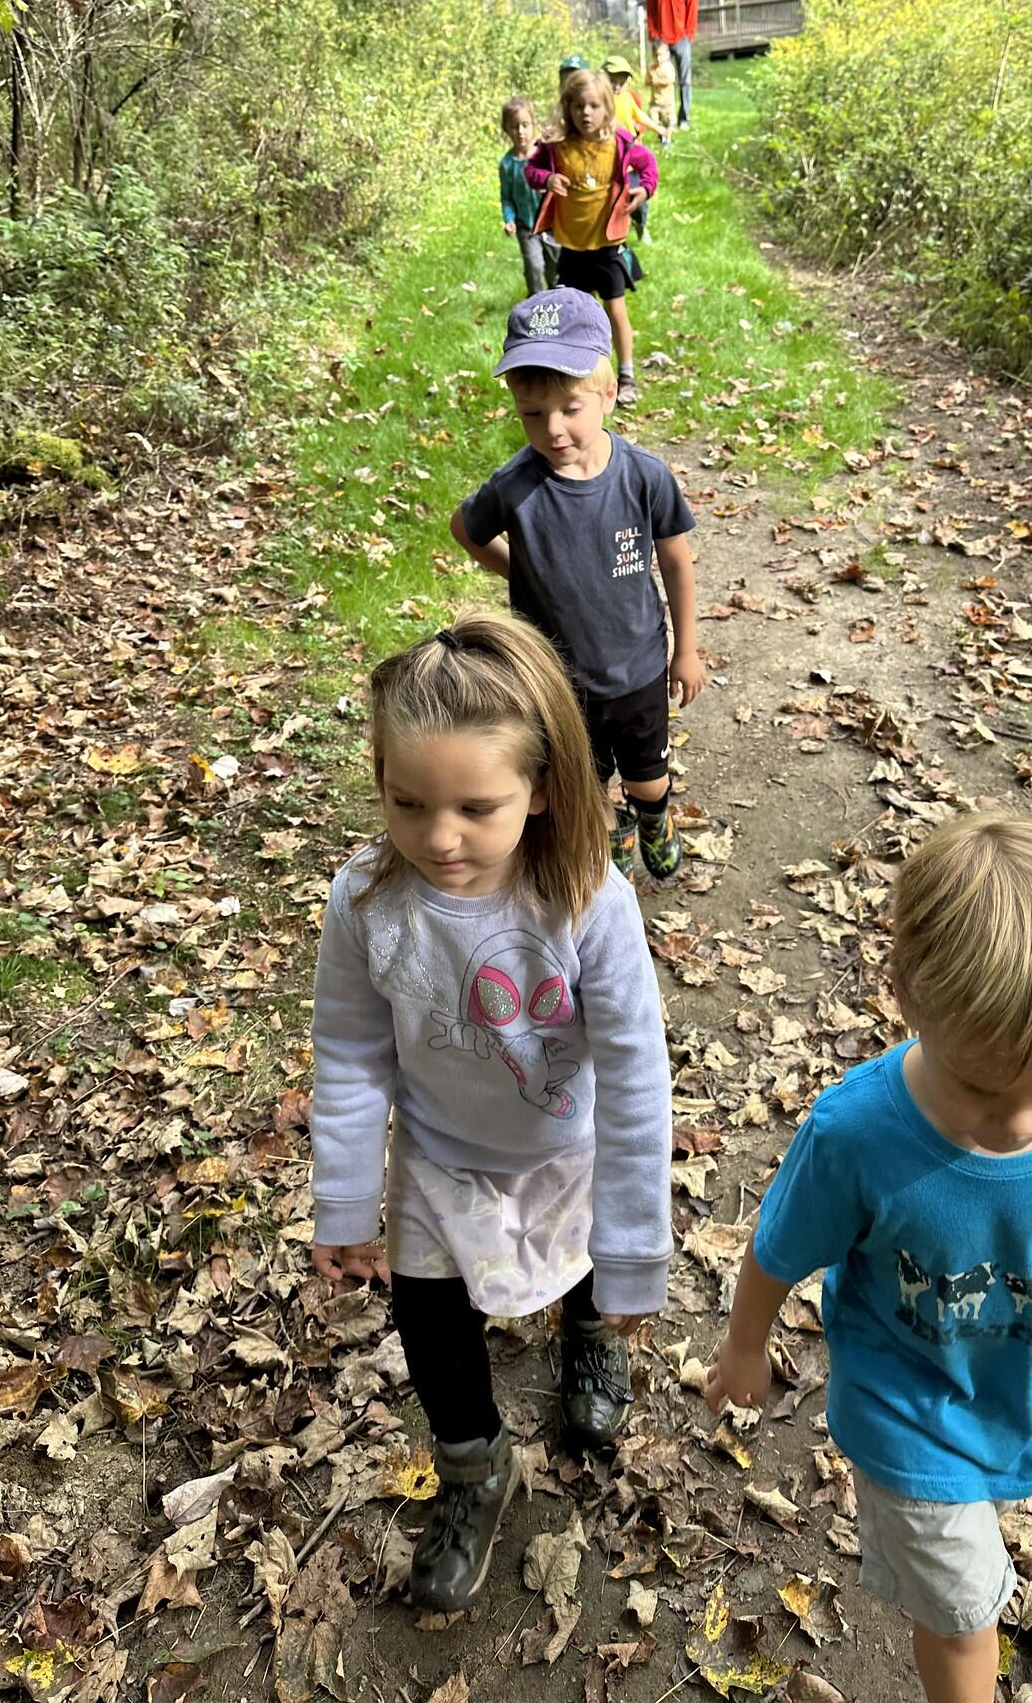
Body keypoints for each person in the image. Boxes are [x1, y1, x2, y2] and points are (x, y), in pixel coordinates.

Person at [705, 814, 1032, 1703]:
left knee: (979, 1550)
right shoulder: (857, 1137)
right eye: (983, 1089)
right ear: (904, 994)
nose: (1019, 1123)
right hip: (905, 1412)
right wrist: (746, 1345)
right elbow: (778, 1248)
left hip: (1024, 1387)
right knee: (964, 1614)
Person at [310, 611, 672, 1614]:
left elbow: (638, 1072)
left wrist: (639, 1248)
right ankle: (473, 1465)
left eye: (477, 806)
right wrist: (343, 1202)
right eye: (407, 801)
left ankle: (589, 1330)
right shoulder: (367, 901)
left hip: (572, 1142)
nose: (439, 836)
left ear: (544, 787)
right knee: (429, 1315)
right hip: (439, 1151)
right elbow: (347, 1049)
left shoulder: (588, 902)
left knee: (589, 1260)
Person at [448, 288, 704, 881]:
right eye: (532, 414)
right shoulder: (515, 485)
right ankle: (605, 830)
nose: (553, 428)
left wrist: (685, 650)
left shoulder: (644, 477)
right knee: (582, 779)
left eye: (569, 408)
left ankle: (654, 814)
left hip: (638, 667)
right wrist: (521, 567)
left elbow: (675, 562)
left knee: (647, 774)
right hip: (556, 679)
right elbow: (465, 528)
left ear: (608, 395)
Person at [524, 69, 657, 407]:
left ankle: (626, 374)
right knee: (576, 315)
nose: (586, 113)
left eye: (595, 106)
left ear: (608, 108)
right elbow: (531, 171)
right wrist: (548, 178)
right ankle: (580, 373)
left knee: (615, 310)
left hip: (608, 247)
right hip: (572, 247)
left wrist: (644, 190)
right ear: (568, 109)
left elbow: (648, 164)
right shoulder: (558, 146)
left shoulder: (619, 143)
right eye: (579, 106)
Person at [498, 96, 555, 299]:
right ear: (506, 129)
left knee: (554, 268)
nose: (520, 132)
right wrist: (509, 219)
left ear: (534, 125)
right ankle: (537, 303)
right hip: (526, 226)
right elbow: (506, 197)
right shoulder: (507, 164)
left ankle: (561, 302)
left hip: (551, 224)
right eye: (514, 126)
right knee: (534, 265)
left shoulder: (544, 155)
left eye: (525, 125)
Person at [644, 0, 698, 129]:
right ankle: (668, 119)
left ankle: (685, 118)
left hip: (682, 39)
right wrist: (653, 35)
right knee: (664, 82)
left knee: (685, 80)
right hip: (661, 42)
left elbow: (693, 7)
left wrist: (689, 34)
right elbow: (650, 11)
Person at [603, 56, 654, 246]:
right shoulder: (598, 101)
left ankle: (641, 224)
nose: (616, 86)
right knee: (612, 200)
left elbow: (639, 115)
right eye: (612, 81)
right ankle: (615, 236)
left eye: (621, 82)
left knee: (637, 196)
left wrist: (657, 128)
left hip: (631, 159)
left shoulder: (627, 99)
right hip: (609, 161)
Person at [646, 42, 677, 146]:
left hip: (667, 103)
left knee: (669, 123)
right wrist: (650, 81)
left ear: (667, 55)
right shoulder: (652, 68)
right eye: (656, 55)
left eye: (661, 55)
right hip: (655, 102)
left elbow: (670, 80)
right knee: (653, 121)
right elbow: (647, 82)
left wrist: (657, 81)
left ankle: (667, 141)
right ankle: (661, 137)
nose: (658, 58)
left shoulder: (669, 68)